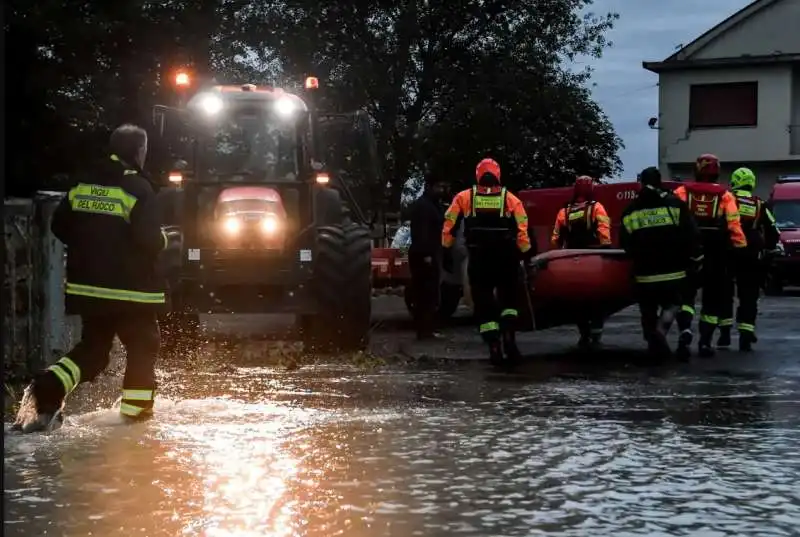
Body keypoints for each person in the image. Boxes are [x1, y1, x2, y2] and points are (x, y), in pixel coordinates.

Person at [13, 124, 169, 434]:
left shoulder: (83, 183)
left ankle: (50, 385)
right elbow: (149, 239)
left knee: (95, 352)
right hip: (131, 291)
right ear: (139, 152)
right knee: (143, 345)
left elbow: (60, 226)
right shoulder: (139, 188)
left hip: (88, 288)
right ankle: (136, 420)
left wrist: (92, 248)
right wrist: (167, 239)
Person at [442, 158, 534, 364]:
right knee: (510, 301)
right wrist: (526, 255)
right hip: (506, 258)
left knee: (483, 303)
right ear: (498, 175)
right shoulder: (510, 199)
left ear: (478, 175)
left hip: (479, 258)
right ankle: (510, 337)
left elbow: (449, 224)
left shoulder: (464, 197)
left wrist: (446, 250)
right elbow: (523, 230)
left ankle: (494, 346)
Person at [620, 167, 703, 359]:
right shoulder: (675, 205)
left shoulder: (631, 210)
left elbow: (625, 242)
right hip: (673, 272)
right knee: (673, 304)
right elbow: (691, 234)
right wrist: (694, 259)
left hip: (643, 274)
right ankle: (660, 332)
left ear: (641, 183)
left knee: (647, 310)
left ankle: (654, 344)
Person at [673, 154, 747, 358]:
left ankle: (685, 329)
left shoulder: (681, 191)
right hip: (717, 252)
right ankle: (705, 342)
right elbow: (734, 224)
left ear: (696, 170)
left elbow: (674, 218)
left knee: (686, 296)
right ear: (717, 172)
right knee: (712, 299)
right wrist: (741, 247)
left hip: (688, 250)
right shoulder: (726, 195)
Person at [717, 167, 780, 351]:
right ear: (752, 183)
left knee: (725, 293)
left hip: (729, 251)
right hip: (752, 254)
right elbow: (773, 230)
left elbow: (718, 223)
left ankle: (725, 335)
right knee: (749, 295)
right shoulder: (759, 204)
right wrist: (769, 249)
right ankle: (746, 335)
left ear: (735, 181)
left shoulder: (728, 200)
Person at [550, 175, 612, 348]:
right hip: (593, 258)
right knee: (598, 299)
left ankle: (584, 332)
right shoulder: (597, 208)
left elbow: (555, 238)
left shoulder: (565, 211)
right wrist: (606, 248)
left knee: (576, 301)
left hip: (571, 260)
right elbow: (604, 232)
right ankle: (596, 333)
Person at [407, 176, 447, 340]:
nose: (442, 191)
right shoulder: (424, 207)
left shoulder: (432, 205)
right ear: (429, 187)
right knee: (425, 293)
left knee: (430, 294)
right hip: (424, 255)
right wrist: (426, 255)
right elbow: (422, 233)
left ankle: (427, 329)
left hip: (430, 253)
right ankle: (424, 331)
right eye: (439, 187)